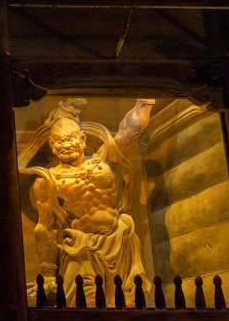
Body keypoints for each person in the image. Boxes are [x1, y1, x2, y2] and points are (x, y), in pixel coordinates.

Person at [23, 98, 155, 307]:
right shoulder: (47, 180)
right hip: (80, 249)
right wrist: (48, 271)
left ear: (82, 139)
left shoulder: (102, 161)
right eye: (59, 141)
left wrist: (145, 102)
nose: (66, 145)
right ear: (52, 147)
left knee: (126, 303)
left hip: (120, 242)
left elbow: (128, 131)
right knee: (85, 305)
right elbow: (44, 227)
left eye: (71, 138)